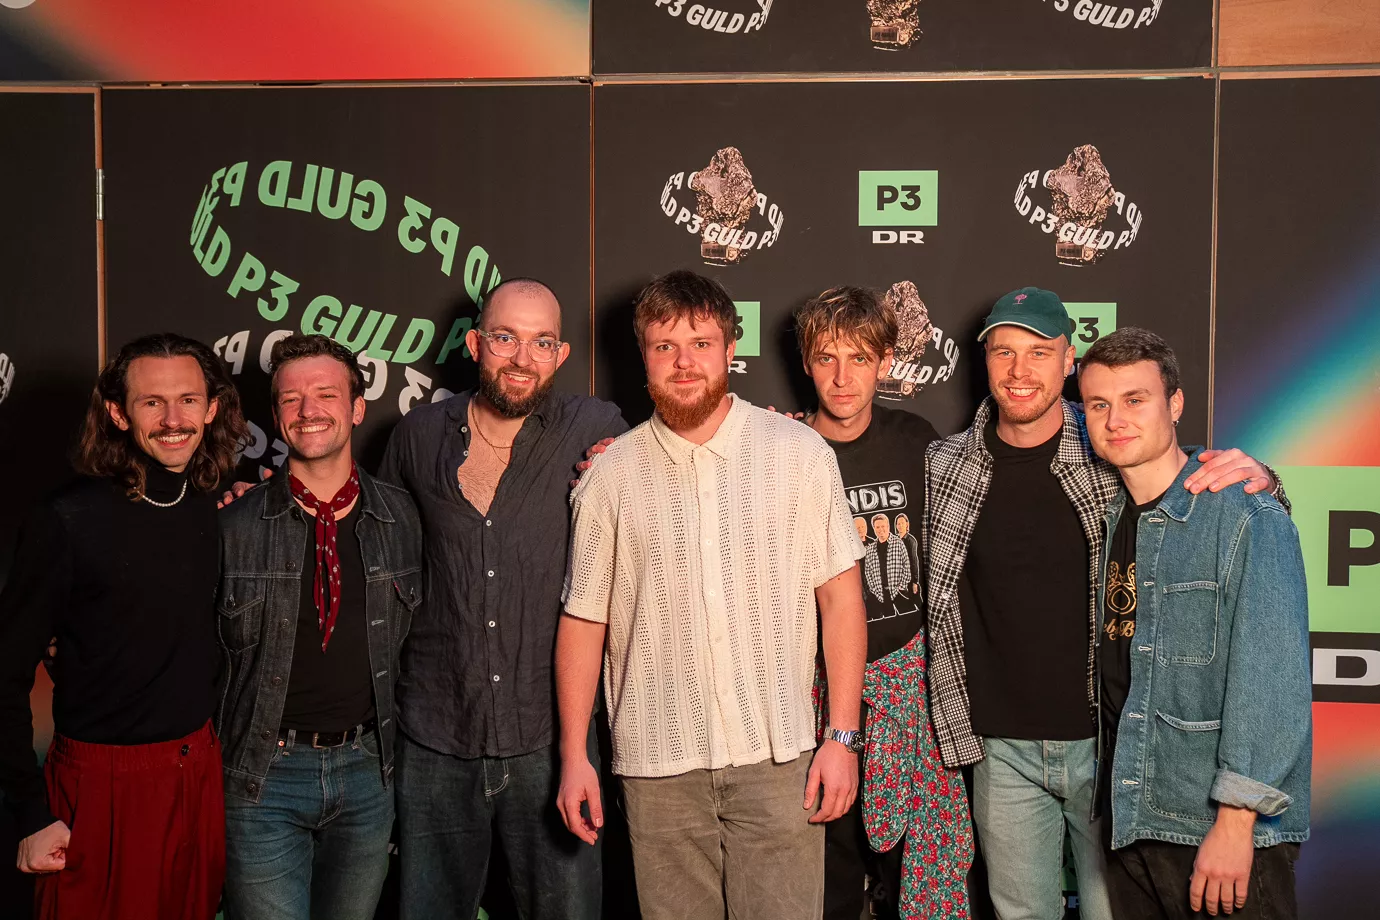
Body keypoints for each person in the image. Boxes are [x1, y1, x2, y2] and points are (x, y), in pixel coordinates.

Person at [923, 288, 1286, 920]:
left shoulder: (1106, 447)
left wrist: (1266, 480)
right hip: (999, 748)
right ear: (984, 360)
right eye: (1004, 352)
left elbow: (1190, 485)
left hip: (1110, 742)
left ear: (1068, 361)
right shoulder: (944, 464)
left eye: (1039, 352)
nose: (1019, 370)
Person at [555, 270, 868, 920]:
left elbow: (841, 601)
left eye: (700, 343)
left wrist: (842, 735)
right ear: (642, 356)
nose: (684, 362)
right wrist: (573, 755)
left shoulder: (800, 453)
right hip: (656, 770)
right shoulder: (609, 475)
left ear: (730, 349)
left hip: (778, 761)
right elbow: (583, 622)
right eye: (664, 346)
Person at [380, 278, 626, 920]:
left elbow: (682, 469)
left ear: (561, 354)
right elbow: (378, 562)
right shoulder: (416, 437)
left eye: (541, 342)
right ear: (474, 345)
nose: (522, 358)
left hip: (551, 735)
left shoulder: (598, 429)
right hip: (437, 731)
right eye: (505, 338)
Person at [0, 333, 247, 920]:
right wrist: (30, 812)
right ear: (117, 412)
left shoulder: (210, 505)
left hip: (198, 773)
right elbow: (3, 673)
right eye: (152, 402)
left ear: (211, 408)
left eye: (188, 400)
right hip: (103, 783)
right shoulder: (66, 518)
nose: (173, 421)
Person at [1079, 327, 1310, 920]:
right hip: (1132, 816)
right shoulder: (1109, 516)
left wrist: (1235, 823)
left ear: (1175, 403)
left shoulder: (1245, 516)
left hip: (1214, 830)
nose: (1115, 420)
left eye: (1136, 400)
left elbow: (1273, 684)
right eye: (1099, 404)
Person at [216, 334, 424, 920]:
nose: (308, 410)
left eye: (326, 395)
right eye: (291, 399)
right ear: (276, 414)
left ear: (357, 408)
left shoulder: (403, 518)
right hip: (262, 777)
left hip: (368, 772)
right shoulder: (234, 525)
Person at [794, 285, 969, 920]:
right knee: (827, 868)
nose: (842, 378)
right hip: (817, 691)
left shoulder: (915, 439)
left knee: (922, 870)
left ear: (887, 362)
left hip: (911, 691)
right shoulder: (785, 449)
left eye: (860, 359)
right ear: (807, 363)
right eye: (827, 358)